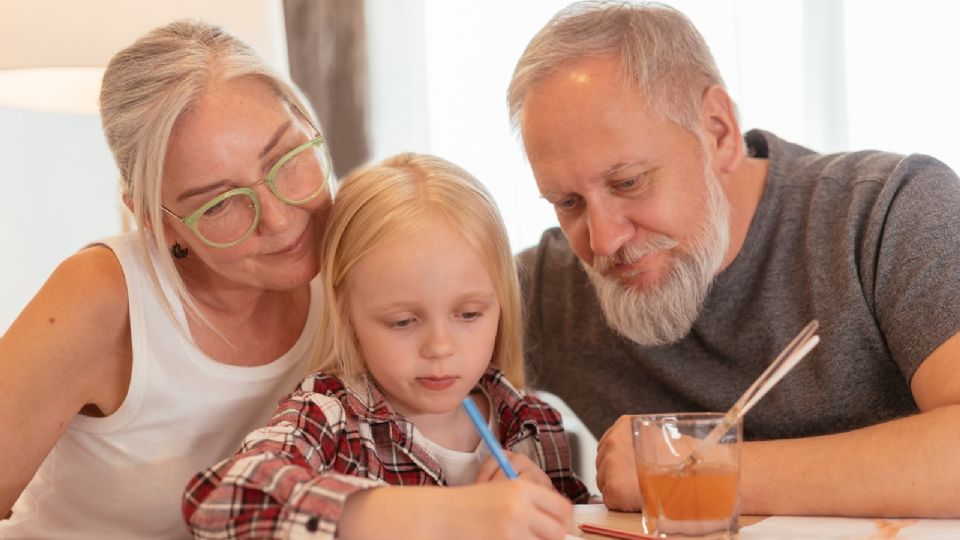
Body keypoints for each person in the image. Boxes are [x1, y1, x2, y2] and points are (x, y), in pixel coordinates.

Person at [508, 1, 960, 518]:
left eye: (628, 181)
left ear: (718, 132)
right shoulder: (552, 286)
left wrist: (690, 470)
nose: (604, 241)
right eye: (568, 203)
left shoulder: (889, 212)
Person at [0, 20, 334, 537]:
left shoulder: (357, 261)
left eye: (288, 159)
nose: (281, 218)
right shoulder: (105, 296)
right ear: (155, 221)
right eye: (220, 203)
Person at [183, 153, 588, 539]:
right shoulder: (329, 417)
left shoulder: (532, 422)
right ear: (348, 316)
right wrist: (430, 518)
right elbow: (224, 504)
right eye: (403, 321)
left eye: (469, 315)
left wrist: (557, 512)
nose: (440, 348)